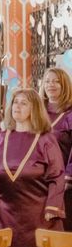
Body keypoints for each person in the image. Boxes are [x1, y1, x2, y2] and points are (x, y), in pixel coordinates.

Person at [0, 88, 65, 247]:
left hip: (40, 215)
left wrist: (52, 207)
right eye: (15, 102)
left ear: (34, 108)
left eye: (23, 103)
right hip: (6, 216)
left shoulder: (45, 139)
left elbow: (57, 175)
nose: (17, 107)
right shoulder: (1, 138)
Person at [40, 68, 72, 231]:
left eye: (55, 81)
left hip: (64, 181)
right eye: (47, 81)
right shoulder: (37, 112)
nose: (50, 85)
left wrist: (68, 175)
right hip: (39, 179)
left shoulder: (70, 114)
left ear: (64, 85)